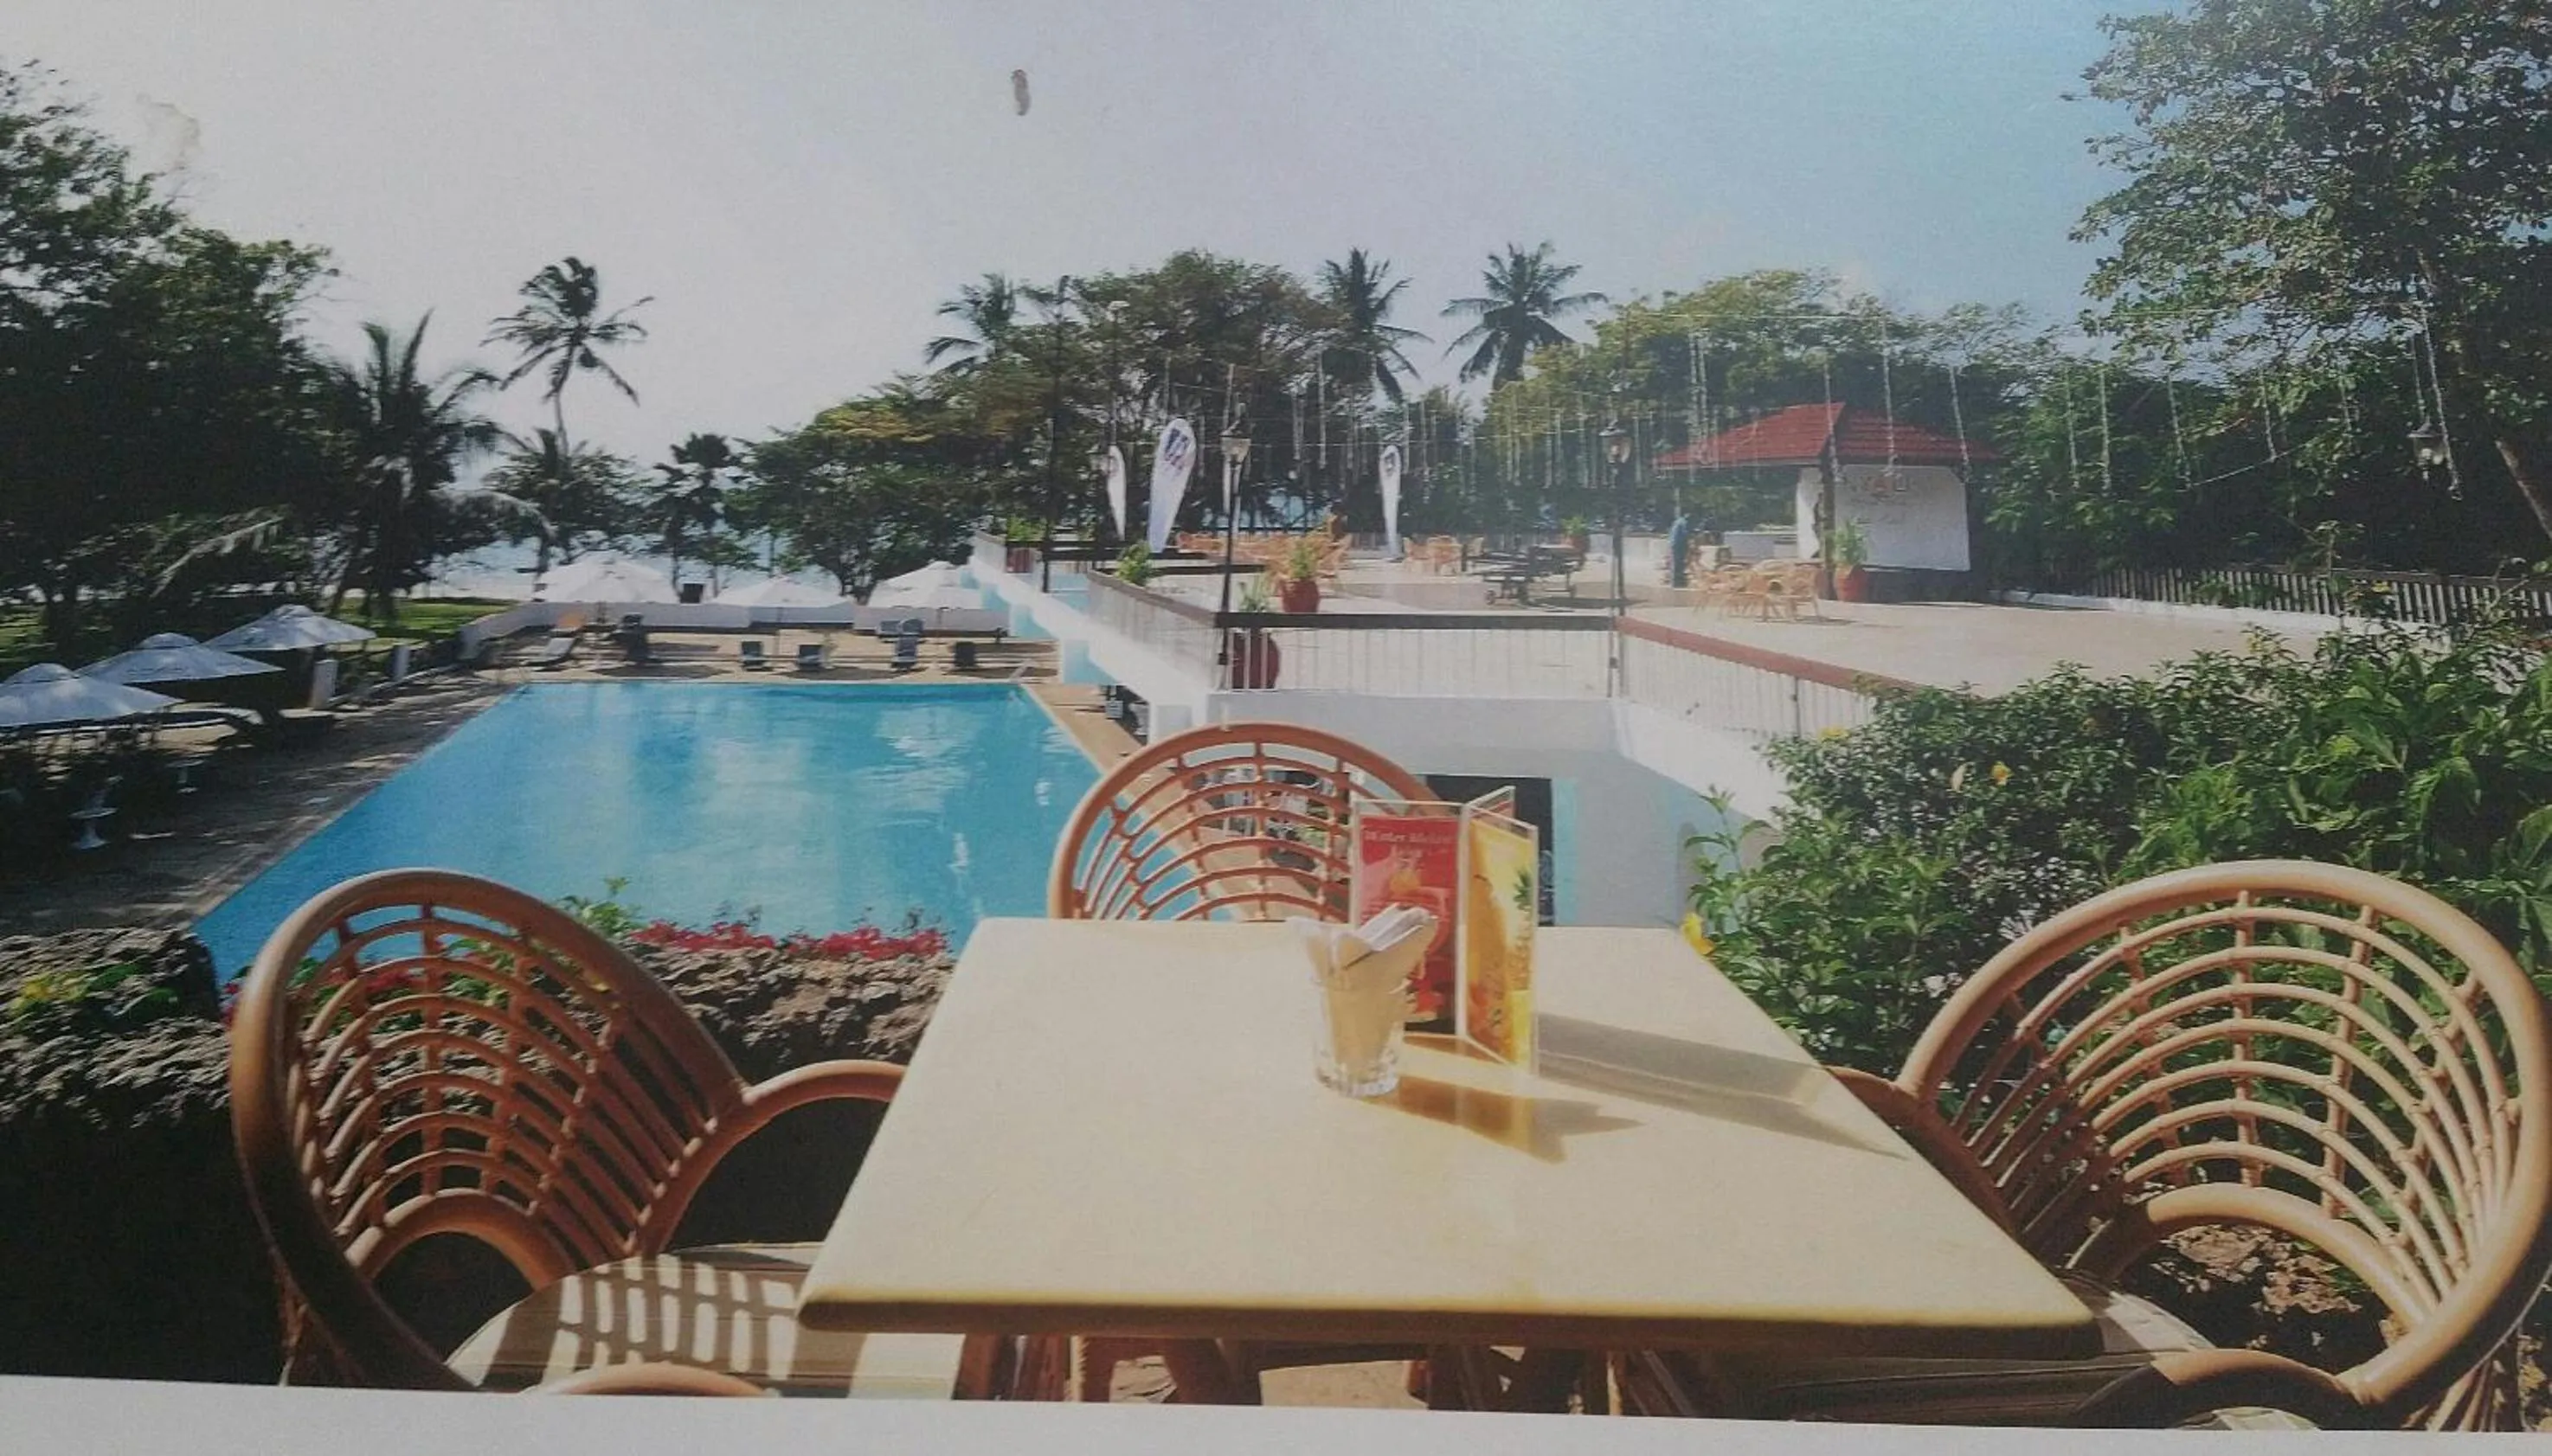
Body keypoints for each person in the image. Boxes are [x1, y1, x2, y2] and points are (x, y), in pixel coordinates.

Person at [1666, 510, 1693, 588]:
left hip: (1674, 544)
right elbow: (1686, 534)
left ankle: (1676, 581)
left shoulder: (1678, 521)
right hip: (1678, 545)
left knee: (1677, 562)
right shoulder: (1683, 522)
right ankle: (1676, 583)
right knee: (1678, 563)